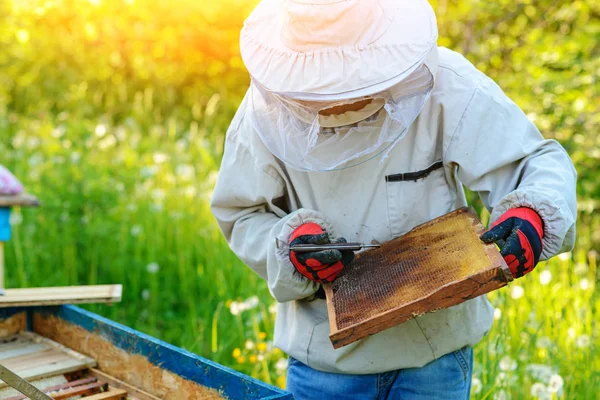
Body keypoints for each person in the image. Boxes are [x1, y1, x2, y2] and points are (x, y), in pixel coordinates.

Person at [210, 0, 577, 398]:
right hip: (326, 365)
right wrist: (290, 246)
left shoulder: (446, 84)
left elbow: (532, 161)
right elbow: (242, 212)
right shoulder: (267, 111)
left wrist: (532, 214)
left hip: (434, 356)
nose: (341, 97)